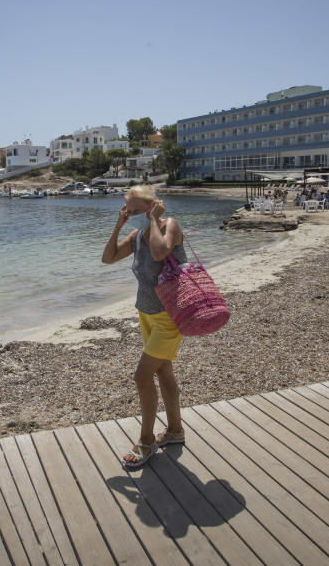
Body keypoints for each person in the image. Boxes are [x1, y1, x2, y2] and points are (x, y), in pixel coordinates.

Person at [101, 185, 188, 469]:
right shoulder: (136, 235)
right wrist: (119, 223)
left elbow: (161, 252)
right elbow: (108, 257)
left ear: (154, 206)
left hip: (168, 317)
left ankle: (147, 441)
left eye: (138, 210)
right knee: (163, 372)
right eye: (130, 210)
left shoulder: (169, 226)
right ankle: (175, 430)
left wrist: (153, 220)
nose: (133, 214)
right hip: (146, 314)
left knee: (141, 378)